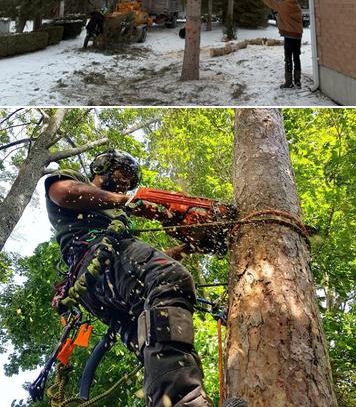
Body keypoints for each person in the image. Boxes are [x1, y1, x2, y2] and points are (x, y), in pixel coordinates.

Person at [44, 149, 244, 407]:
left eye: (131, 180)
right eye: (122, 173)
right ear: (102, 167)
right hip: (96, 259)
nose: (126, 182)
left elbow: (141, 267)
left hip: (105, 285)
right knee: (170, 277)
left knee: (151, 337)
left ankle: (180, 401)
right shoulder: (76, 182)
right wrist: (129, 200)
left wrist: (188, 247)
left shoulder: (119, 217)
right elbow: (63, 193)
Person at [256, 0, 303, 89]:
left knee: (288, 58)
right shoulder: (297, 6)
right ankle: (298, 81)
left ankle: (289, 82)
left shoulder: (283, 5)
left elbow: (269, 2)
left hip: (289, 36)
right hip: (298, 35)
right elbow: (278, 0)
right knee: (296, 57)